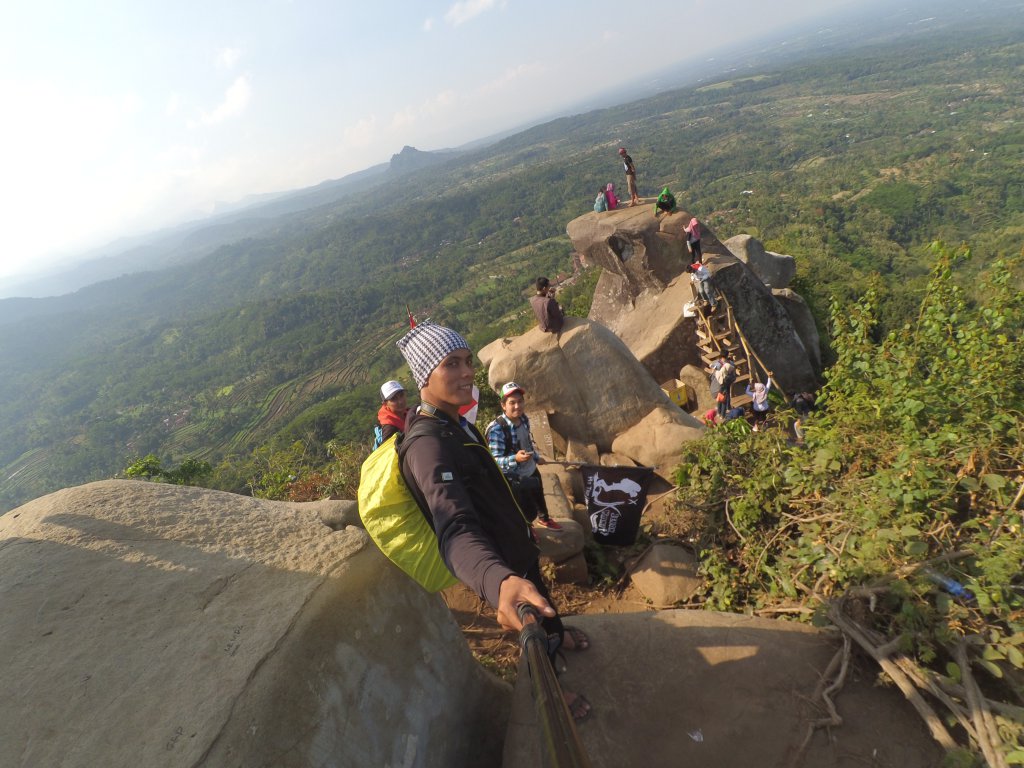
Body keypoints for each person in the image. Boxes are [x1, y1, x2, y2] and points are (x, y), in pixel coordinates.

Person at [395, 322, 592, 720]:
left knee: (540, 598)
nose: (467, 372)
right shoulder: (427, 447)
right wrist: (495, 580)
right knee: (527, 624)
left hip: (516, 545)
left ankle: (558, 635)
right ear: (424, 376)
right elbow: (453, 526)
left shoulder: (454, 420)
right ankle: (549, 691)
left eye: (467, 361)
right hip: (498, 561)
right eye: (451, 363)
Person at [486, 382, 561, 530]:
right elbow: (494, 461)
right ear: (503, 405)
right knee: (524, 507)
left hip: (530, 468)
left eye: (520, 401)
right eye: (512, 403)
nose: (517, 406)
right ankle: (527, 529)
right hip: (514, 476)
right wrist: (515, 458)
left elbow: (527, 443)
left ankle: (544, 519)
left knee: (539, 494)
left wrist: (535, 457)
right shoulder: (497, 429)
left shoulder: (524, 419)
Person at [375, 380, 409, 447]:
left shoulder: (407, 412)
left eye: (401, 395)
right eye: (394, 399)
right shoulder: (390, 428)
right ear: (385, 404)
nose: (400, 401)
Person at [710, 351, 737, 420]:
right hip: (726, 382)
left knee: (720, 397)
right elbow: (733, 368)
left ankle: (719, 412)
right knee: (725, 398)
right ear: (726, 356)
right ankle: (724, 413)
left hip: (719, 383)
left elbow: (713, 373)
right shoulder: (729, 364)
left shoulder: (717, 363)